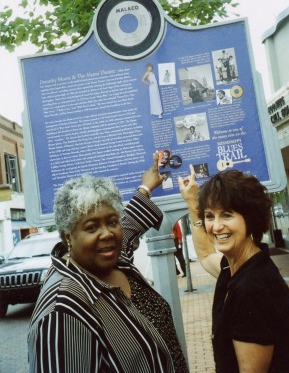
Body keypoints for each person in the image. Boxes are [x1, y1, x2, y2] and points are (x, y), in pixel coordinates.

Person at [28, 153, 189, 373]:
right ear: (68, 236)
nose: (107, 234)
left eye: (112, 222)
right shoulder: (62, 312)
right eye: (92, 227)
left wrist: (146, 187)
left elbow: (129, 223)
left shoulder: (110, 260)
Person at [178, 166, 289, 373]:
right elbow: (206, 256)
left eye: (226, 215)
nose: (216, 227)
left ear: (250, 218)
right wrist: (192, 202)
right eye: (210, 216)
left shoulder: (251, 289)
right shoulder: (237, 266)